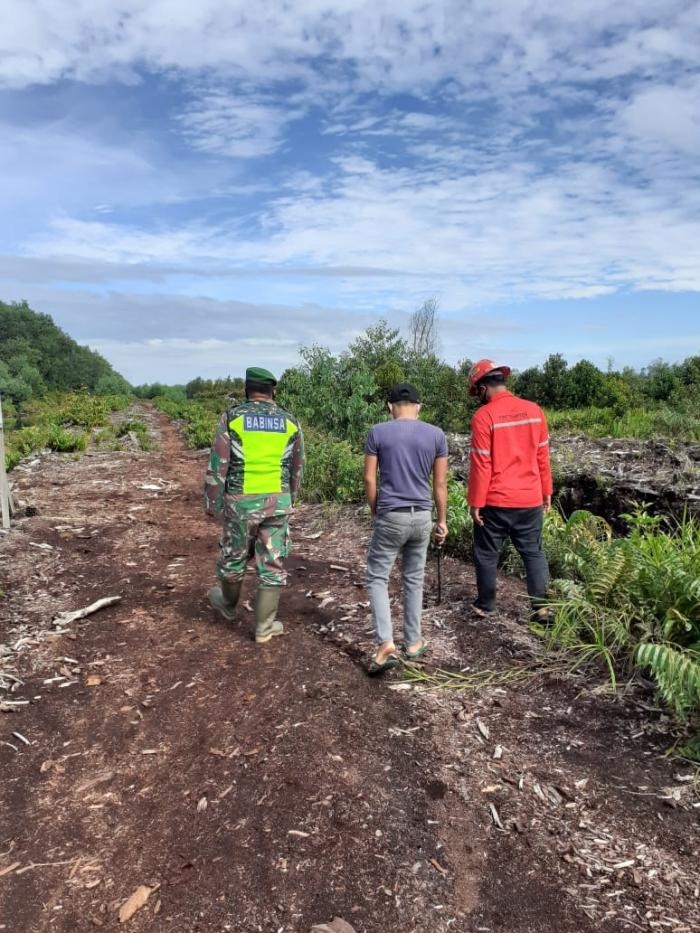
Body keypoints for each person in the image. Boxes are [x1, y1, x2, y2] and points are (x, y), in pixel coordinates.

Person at [204, 366, 305, 643]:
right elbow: (298, 466)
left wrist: (212, 501)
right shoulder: (289, 420)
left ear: (247, 391)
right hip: (278, 501)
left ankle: (227, 604)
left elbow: (219, 463)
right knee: (272, 562)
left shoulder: (232, 417)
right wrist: (291, 498)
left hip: (241, 503)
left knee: (234, 555)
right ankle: (264, 628)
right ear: (273, 391)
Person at [364, 383, 448, 673]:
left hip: (391, 515)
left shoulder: (378, 432)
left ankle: (386, 644)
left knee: (377, 577)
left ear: (389, 407)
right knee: (413, 578)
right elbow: (439, 484)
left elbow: (369, 480)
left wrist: (377, 512)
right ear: (419, 406)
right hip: (422, 515)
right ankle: (413, 643)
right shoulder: (436, 435)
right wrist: (442, 521)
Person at [466, 358, 552, 621]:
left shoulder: (484, 416)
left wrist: (475, 502)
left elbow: (482, 463)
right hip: (529, 499)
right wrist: (546, 491)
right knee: (533, 552)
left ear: (483, 388)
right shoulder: (534, 410)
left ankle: (486, 605)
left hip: (496, 501)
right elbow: (542, 456)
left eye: (476, 392)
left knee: (486, 553)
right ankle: (542, 609)